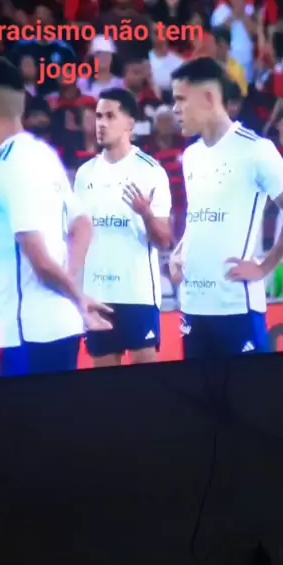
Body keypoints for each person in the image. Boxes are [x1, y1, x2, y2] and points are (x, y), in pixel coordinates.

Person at [0, 58, 112, 378]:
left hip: (29, 335)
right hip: (57, 326)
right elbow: (82, 224)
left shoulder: (12, 165)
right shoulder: (41, 153)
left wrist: (77, 295)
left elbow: (38, 257)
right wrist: (71, 285)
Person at [169, 57, 283, 358]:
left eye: (181, 99)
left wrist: (264, 266)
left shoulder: (255, 149)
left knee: (250, 389)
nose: (175, 109)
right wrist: (180, 250)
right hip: (193, 306)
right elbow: (198, 216)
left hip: (237, 306)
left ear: (209, 98)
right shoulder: (192, 155)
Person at [74, 87, 172, 367]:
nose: (101, 123)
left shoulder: (150, 171)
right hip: (98, 296)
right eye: (98, 116)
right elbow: (78, 236)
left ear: (130, 123)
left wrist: (146, 214)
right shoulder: (84, 175)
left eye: (110, 116)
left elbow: (164, 240)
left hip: (137, 294)